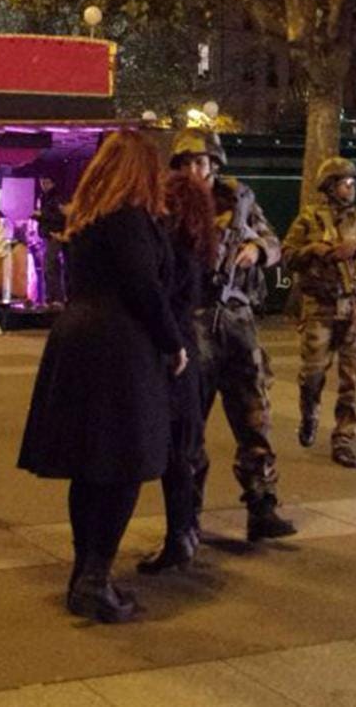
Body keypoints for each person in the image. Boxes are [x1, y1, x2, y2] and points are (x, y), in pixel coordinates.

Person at [17, 130, 186, 623]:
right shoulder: (129, 218)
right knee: (126, 463)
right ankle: (95, 577)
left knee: (92, 464)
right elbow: (144, 287)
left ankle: (85, 572)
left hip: (79, 340)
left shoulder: (89, 217)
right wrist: (172, 342)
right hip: (121, 348)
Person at [168, 129, 296, 542]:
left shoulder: (239, 200)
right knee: (190, 430)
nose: (193, 170)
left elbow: (276, 242)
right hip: (194, 323)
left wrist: (257, 250)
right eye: (186, 163)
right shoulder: (168, 204)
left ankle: (262, 507)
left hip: (238, 323)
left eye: (200, 163)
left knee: (254, 419)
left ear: (215, 165)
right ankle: (187, 519)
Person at [282, 156, 356, 469]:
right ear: (330, 186)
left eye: (354, 183)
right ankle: (309, 414)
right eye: (346, 182)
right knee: (312, 373)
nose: (351, 188)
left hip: (355, 308)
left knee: (353, 380)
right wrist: (311, 251)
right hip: (320, 307)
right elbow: (286, 254)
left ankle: (343, 438)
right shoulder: (309, 219)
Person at [139, 169, 215, 574]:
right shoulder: (197, 241)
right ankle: (182, 533)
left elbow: (158, 294)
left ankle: (179, 536)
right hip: (187, 343)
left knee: (171, 451)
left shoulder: (170, 242)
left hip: (173, 351)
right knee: (181, 452)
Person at [35, 176, 68, 305]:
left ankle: (54, 297)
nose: (44, 185)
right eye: (42, 182)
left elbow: (60, 217)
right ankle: (54, 297)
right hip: (49, 234)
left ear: (53, 183)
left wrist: (42, 215)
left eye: (46, 182)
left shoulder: (56, 197)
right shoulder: (45, 197)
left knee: (50, 265)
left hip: (55, 234)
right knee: (52, 265)